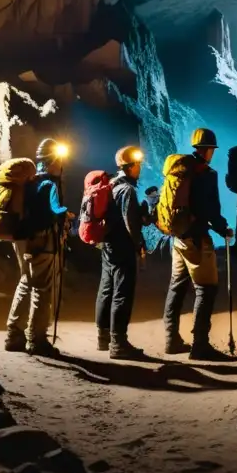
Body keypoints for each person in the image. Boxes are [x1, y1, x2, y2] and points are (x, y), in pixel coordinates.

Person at [162, 127, 234, 360]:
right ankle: (200, 344)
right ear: (209, 149)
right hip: (195, 240)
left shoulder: (179, 170)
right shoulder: (205, 173)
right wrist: (223, 228)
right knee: (206, 288)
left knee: (177, 286)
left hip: (178, 238)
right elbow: (211, 210)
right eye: (212, 149)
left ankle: (171, 340)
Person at [5, 138, 74, 356]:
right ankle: (36, 339)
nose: (62, 165)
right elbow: (55, 208)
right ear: (53, 160)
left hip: (23, 240)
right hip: (43, 242)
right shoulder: (49, 184)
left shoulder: (29, 182)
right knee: (42, 290)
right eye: (60, 160)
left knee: (26, 282)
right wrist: (65, 213)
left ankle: (13, 334)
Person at [95, 146, 147, 360]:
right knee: (122, 293)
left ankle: (103, 338)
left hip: (107, 245)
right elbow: (130, 222)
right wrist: (139, 244)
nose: (140, 169)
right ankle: (118, 343)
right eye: (139, 165)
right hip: (122, 246)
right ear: (132, 166)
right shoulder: (127, 189)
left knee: (106, 289)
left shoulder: (111, 184)